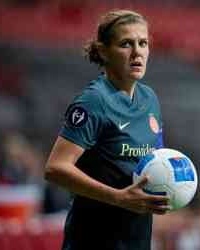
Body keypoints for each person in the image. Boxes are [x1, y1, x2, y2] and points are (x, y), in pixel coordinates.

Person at [44, 10, 170, 250]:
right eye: (126, 44)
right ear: (103, 51)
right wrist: (118, 197)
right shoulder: (94, 101)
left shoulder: (150, 98)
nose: (137, 52)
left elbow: (156, 158)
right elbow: (55, 168)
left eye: (143, 43)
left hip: (136, 241)